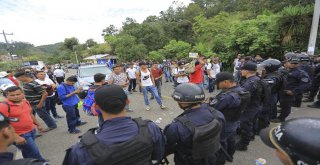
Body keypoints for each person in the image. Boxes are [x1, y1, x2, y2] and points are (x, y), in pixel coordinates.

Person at [64, 85, 166, 165]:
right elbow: (158, 154)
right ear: (127, 102)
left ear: (96, 107)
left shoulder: (82, 148)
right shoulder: (150, 128)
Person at [164, 83, 224, 165]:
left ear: (183, 103)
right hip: (211, 157)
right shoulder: (217, 114)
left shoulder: (176, 126)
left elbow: (166, 145)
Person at [209, 72, 250, 165]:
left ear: (226, 82)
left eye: (218, 83)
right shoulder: (241, 90)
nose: (217, 85)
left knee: (220, 143)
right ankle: (230, 155)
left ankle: (220, 161)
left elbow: (213, 108)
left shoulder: (228, 96)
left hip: (225, 123)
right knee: (231, 139)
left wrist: (208, 103)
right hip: (235, 121)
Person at [0, 86, 47, 161]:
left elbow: (30, 114)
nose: (15, 97)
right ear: (7, 95)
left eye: (18, 94)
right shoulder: (3, 106)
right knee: (34, 153)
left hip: (31, 130)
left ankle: (29, 162)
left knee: (27, 152)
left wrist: (38, 124)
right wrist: (16, 137)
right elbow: (2, 125)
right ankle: (41, 162)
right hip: (20, 134)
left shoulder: (25, 101)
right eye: (12, 95)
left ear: (22, 94)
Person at [273, 56, 311, 123]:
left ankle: (281, 118)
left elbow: (306, 84)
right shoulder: (284, 70)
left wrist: (294, 91)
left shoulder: (300, 73)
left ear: (298, 64)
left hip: (289, 92)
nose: (293, 64)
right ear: (287, 62)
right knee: (280, 104)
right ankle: (275, 116)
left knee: (286, 106)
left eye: (295, 63)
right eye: (291, 63)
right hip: (280, 91)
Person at [237, 62, 263, 151]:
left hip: (249, 108)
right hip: (257, 105)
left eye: (242, 70)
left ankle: (243, 145)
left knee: (246, 126)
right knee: (252, 122)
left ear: (247, 71)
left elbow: (242, 97)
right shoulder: (257, 78)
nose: (240, 71)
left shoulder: (249, 82)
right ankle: (251, 136)